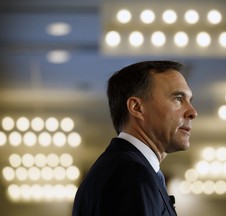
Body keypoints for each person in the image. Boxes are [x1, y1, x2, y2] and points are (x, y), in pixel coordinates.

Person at [72, 60, 197, 216]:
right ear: (137, 108)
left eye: (189, 101)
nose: (192, 112)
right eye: (178, 98)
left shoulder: (125, 168)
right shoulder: (130, 175)